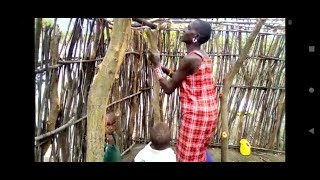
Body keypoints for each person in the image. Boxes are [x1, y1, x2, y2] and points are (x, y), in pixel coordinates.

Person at [148, 19, 218, 162]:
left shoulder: (190, 59)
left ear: (195, 36)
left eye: (189, 28)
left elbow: (168, 88)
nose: (184, 30)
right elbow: (186, 79)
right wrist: (164, 69)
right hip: (209, 114)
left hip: (196, 116)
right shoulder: (203, 56)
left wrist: (156, 65)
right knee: (198, 153)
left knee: (186, 157)